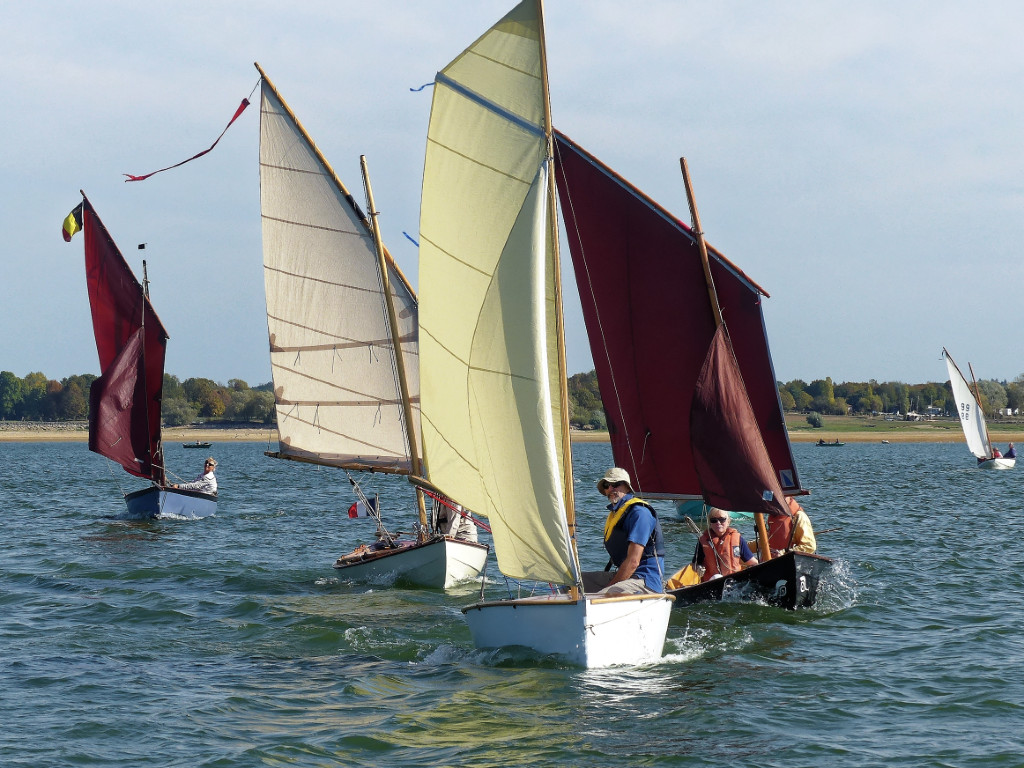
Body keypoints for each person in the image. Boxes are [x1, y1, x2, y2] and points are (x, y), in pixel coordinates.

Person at [581, 467, 665, 595]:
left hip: (646, 580)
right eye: (606, 485)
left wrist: (607, 588)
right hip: (627, 576)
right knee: (573, 583)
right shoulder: (617, 514)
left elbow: (633, 562)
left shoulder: (640, 513)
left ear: (626, 487)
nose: (611, 488)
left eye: (615, 484)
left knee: (608, 593)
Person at [692, 508, 758, 582]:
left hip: (735, 583)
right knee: (717, 577)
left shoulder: (738, 539)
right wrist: (698, 568)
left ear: (728, 521)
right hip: (712, 584)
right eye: (714, 520)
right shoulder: (703, 541)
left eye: (722, 519)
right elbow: (695, 564)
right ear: (710, 523)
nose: (718, 523)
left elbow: (753, 563)